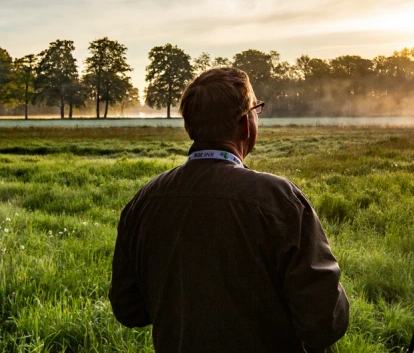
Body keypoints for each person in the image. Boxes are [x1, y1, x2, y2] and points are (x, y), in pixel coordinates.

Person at [109, 68, 349, 353]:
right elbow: (326, 321)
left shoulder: (144, 201)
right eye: (256, 110)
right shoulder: (280, 201)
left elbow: (128, 309)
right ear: (246, 124)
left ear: (190, 127)